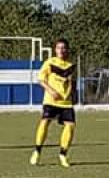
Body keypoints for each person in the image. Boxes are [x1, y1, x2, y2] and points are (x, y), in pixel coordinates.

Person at [31, 38, 76, 168]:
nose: (61, 50)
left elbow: (71, 82)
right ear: (55, 50)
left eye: (63, 48)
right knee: (45, 122)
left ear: (67, 49)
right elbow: (41, 79)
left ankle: (63, 154)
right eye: (59, 48)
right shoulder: (49, 63)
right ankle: (37, 151)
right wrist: (51, 91)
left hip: (66, 102)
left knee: (71, 126)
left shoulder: (71, 65)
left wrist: (71, 94)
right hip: (51, 100)